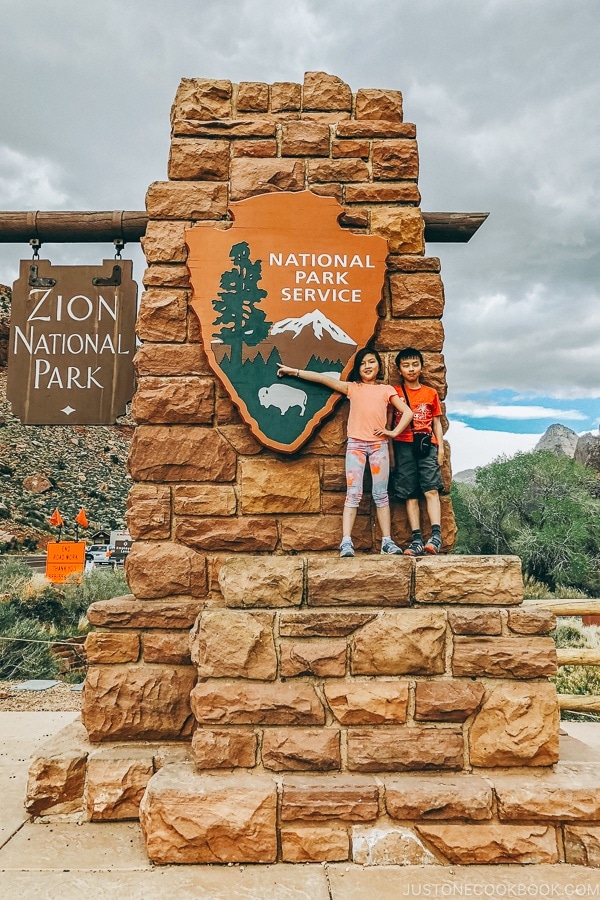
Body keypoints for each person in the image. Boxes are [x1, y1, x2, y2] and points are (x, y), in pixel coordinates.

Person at [277, 347, 412, 557]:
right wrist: (293, 371)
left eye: (371, 362)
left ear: (378, 365)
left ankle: (387, 542)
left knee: (381, 495)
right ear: (358, 368)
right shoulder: (353, 388)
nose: (367, 366)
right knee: (353, 494)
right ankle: (346, 542)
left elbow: (408, 413)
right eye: (363, 363)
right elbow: (322, 379)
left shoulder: (386, 390)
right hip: (356, 445)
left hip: (379, 446)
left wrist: (392, 432)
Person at [385, 347, 445, 556]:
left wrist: (441, 450)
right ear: (399, 369)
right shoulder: (395, 392)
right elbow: (390, 422)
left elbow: (437, 423)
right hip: (403, 445)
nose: (411, 369)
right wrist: (391, 454)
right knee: (410, 493)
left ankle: (436, 537)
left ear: (421, 367)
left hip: (427, 444)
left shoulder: (430, 393)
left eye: (415, 364)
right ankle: (417, 539)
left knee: (431, 489)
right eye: (406, 365)